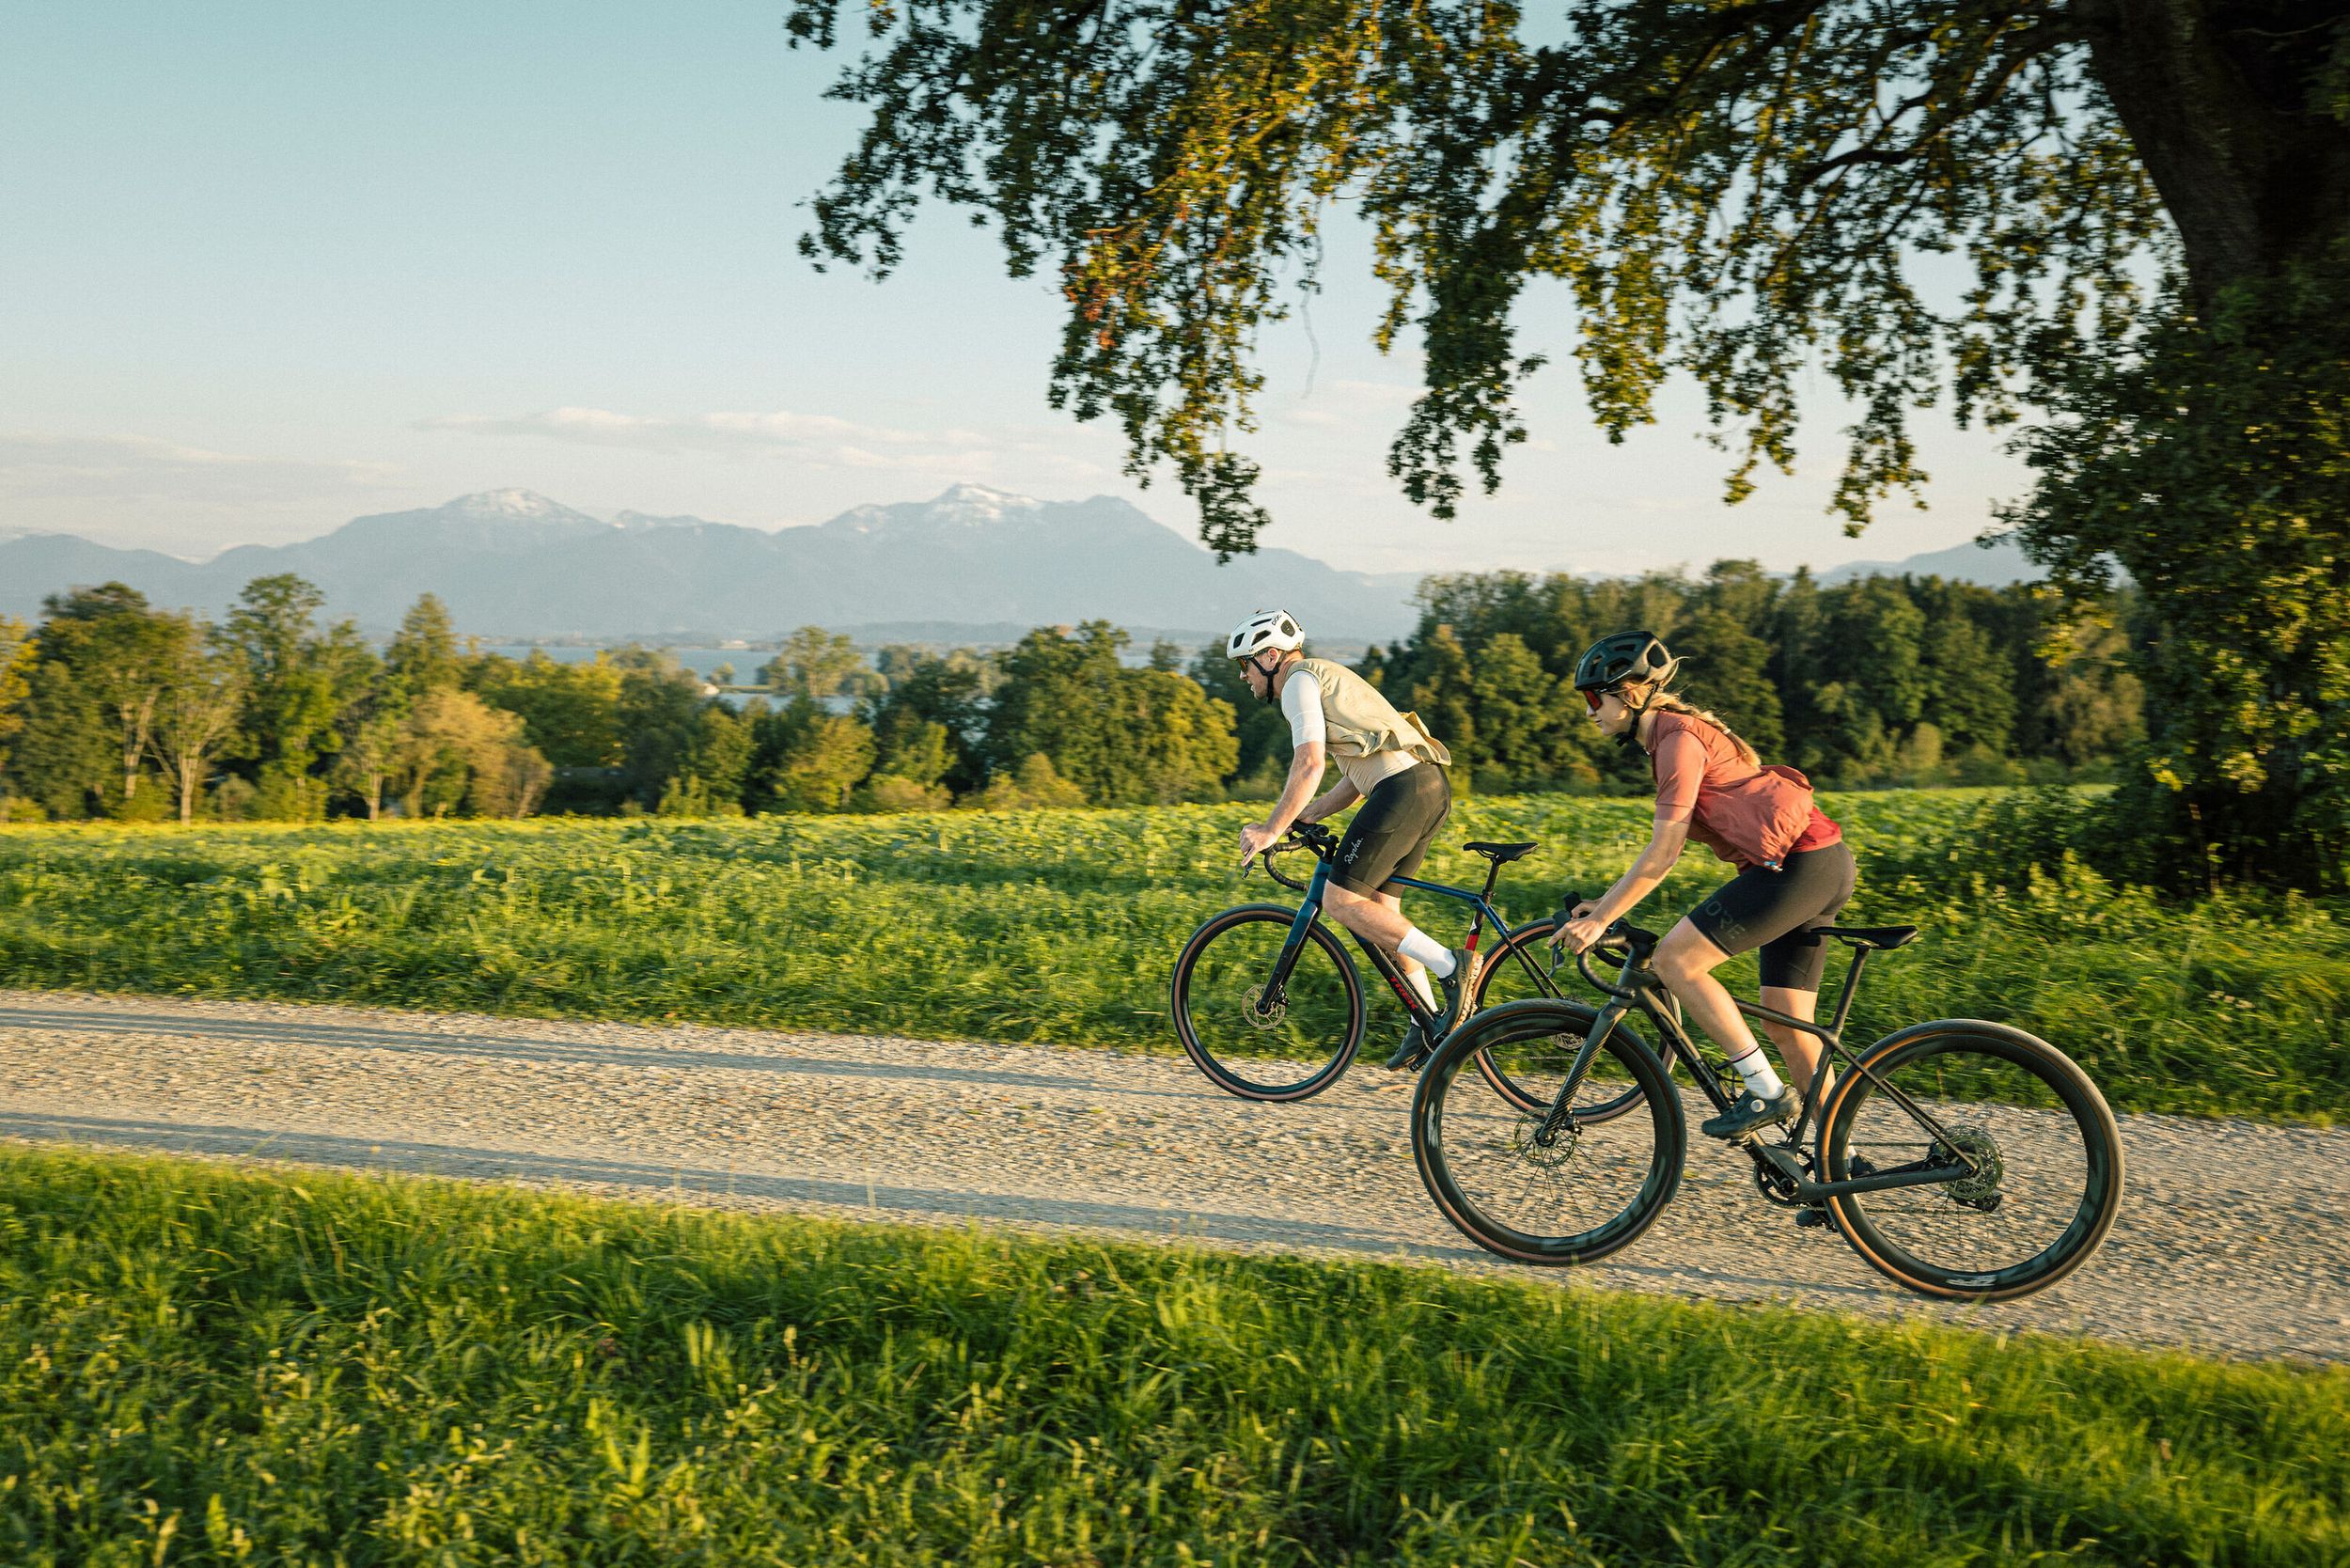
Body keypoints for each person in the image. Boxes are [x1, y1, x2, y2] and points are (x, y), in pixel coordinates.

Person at [1552, 631, 1856, 1138]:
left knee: (1676, 960)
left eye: (1593, 698)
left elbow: (1665, 853)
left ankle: (1765, 1092)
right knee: (1785, 1026)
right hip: (1820, 864)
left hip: (1798, 870)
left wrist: (1603, 919)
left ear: (1627, 693)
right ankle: (1839, 1167)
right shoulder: (1673, 737)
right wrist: (1604, 903)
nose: (1589, 712)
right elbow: (1663, 852)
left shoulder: (1677, 742)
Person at [1227, 609, 1472, 1069]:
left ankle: (1452, 965)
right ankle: (1431, 1023)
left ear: (1270, 657)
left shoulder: (1298, 682)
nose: (1244, 677)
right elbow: (1358, 777)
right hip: (1425, 787)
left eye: (1245, 665)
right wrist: (1306, 814)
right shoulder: (1326, 678)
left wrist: (1271, 828)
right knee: (1380, 916)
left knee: (1340, 902)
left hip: (1402, 791)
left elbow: (1309, 765)